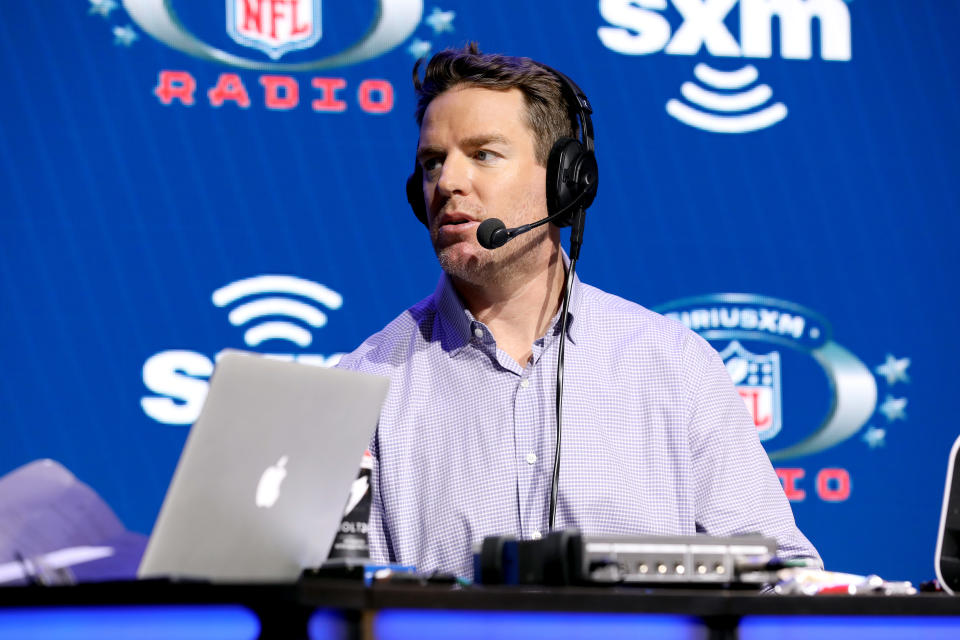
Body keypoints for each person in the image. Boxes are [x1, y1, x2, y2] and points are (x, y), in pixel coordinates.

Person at [336, 44, 820, 578]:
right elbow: (347, 601)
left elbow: (780, 580)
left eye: (483, 154)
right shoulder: (364, 383)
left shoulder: (676, 366)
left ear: (566, 181)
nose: (448, 182)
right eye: (432, 162)